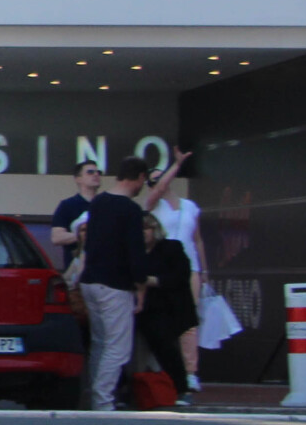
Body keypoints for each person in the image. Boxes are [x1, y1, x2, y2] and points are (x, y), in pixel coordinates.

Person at [78, 155, 153, 410]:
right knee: (118, 347)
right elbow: (136, 252)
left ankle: (93, 396)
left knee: (99, 342)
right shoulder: (131, 209)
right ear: (141, 177)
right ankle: (103, 401)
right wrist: (140, 286)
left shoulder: (98, 202)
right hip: (115, 285)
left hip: (90, 280)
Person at [148, 168, 211, 392]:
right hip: (163, 268)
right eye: (152, 180)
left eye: (160, 177)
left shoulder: (190, 206)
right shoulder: (153, 206)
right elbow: (155, 194)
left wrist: (204, 270)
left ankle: (190, 371)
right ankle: (164, 367)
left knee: (189, 321)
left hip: (189, 267)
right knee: (162, 319)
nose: (158, 183)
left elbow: (198, 240)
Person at [138, 210, 197, 402]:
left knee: (165, 346)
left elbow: (180, 275)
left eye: (146, 228)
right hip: (142, 307)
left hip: (168, 306)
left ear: (155, 229)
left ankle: (181, 388)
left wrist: (153, 280)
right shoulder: (133, 252)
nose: (143, 233)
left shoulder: (171, 247)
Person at [47, 158, 102, 277]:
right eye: (90, 172)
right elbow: (56, 238)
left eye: (98, 172)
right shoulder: (67, 205)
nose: (96, 174)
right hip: (76, 273)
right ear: (78, 178)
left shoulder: (106, 205)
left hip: (104, 271)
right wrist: (85, 235)